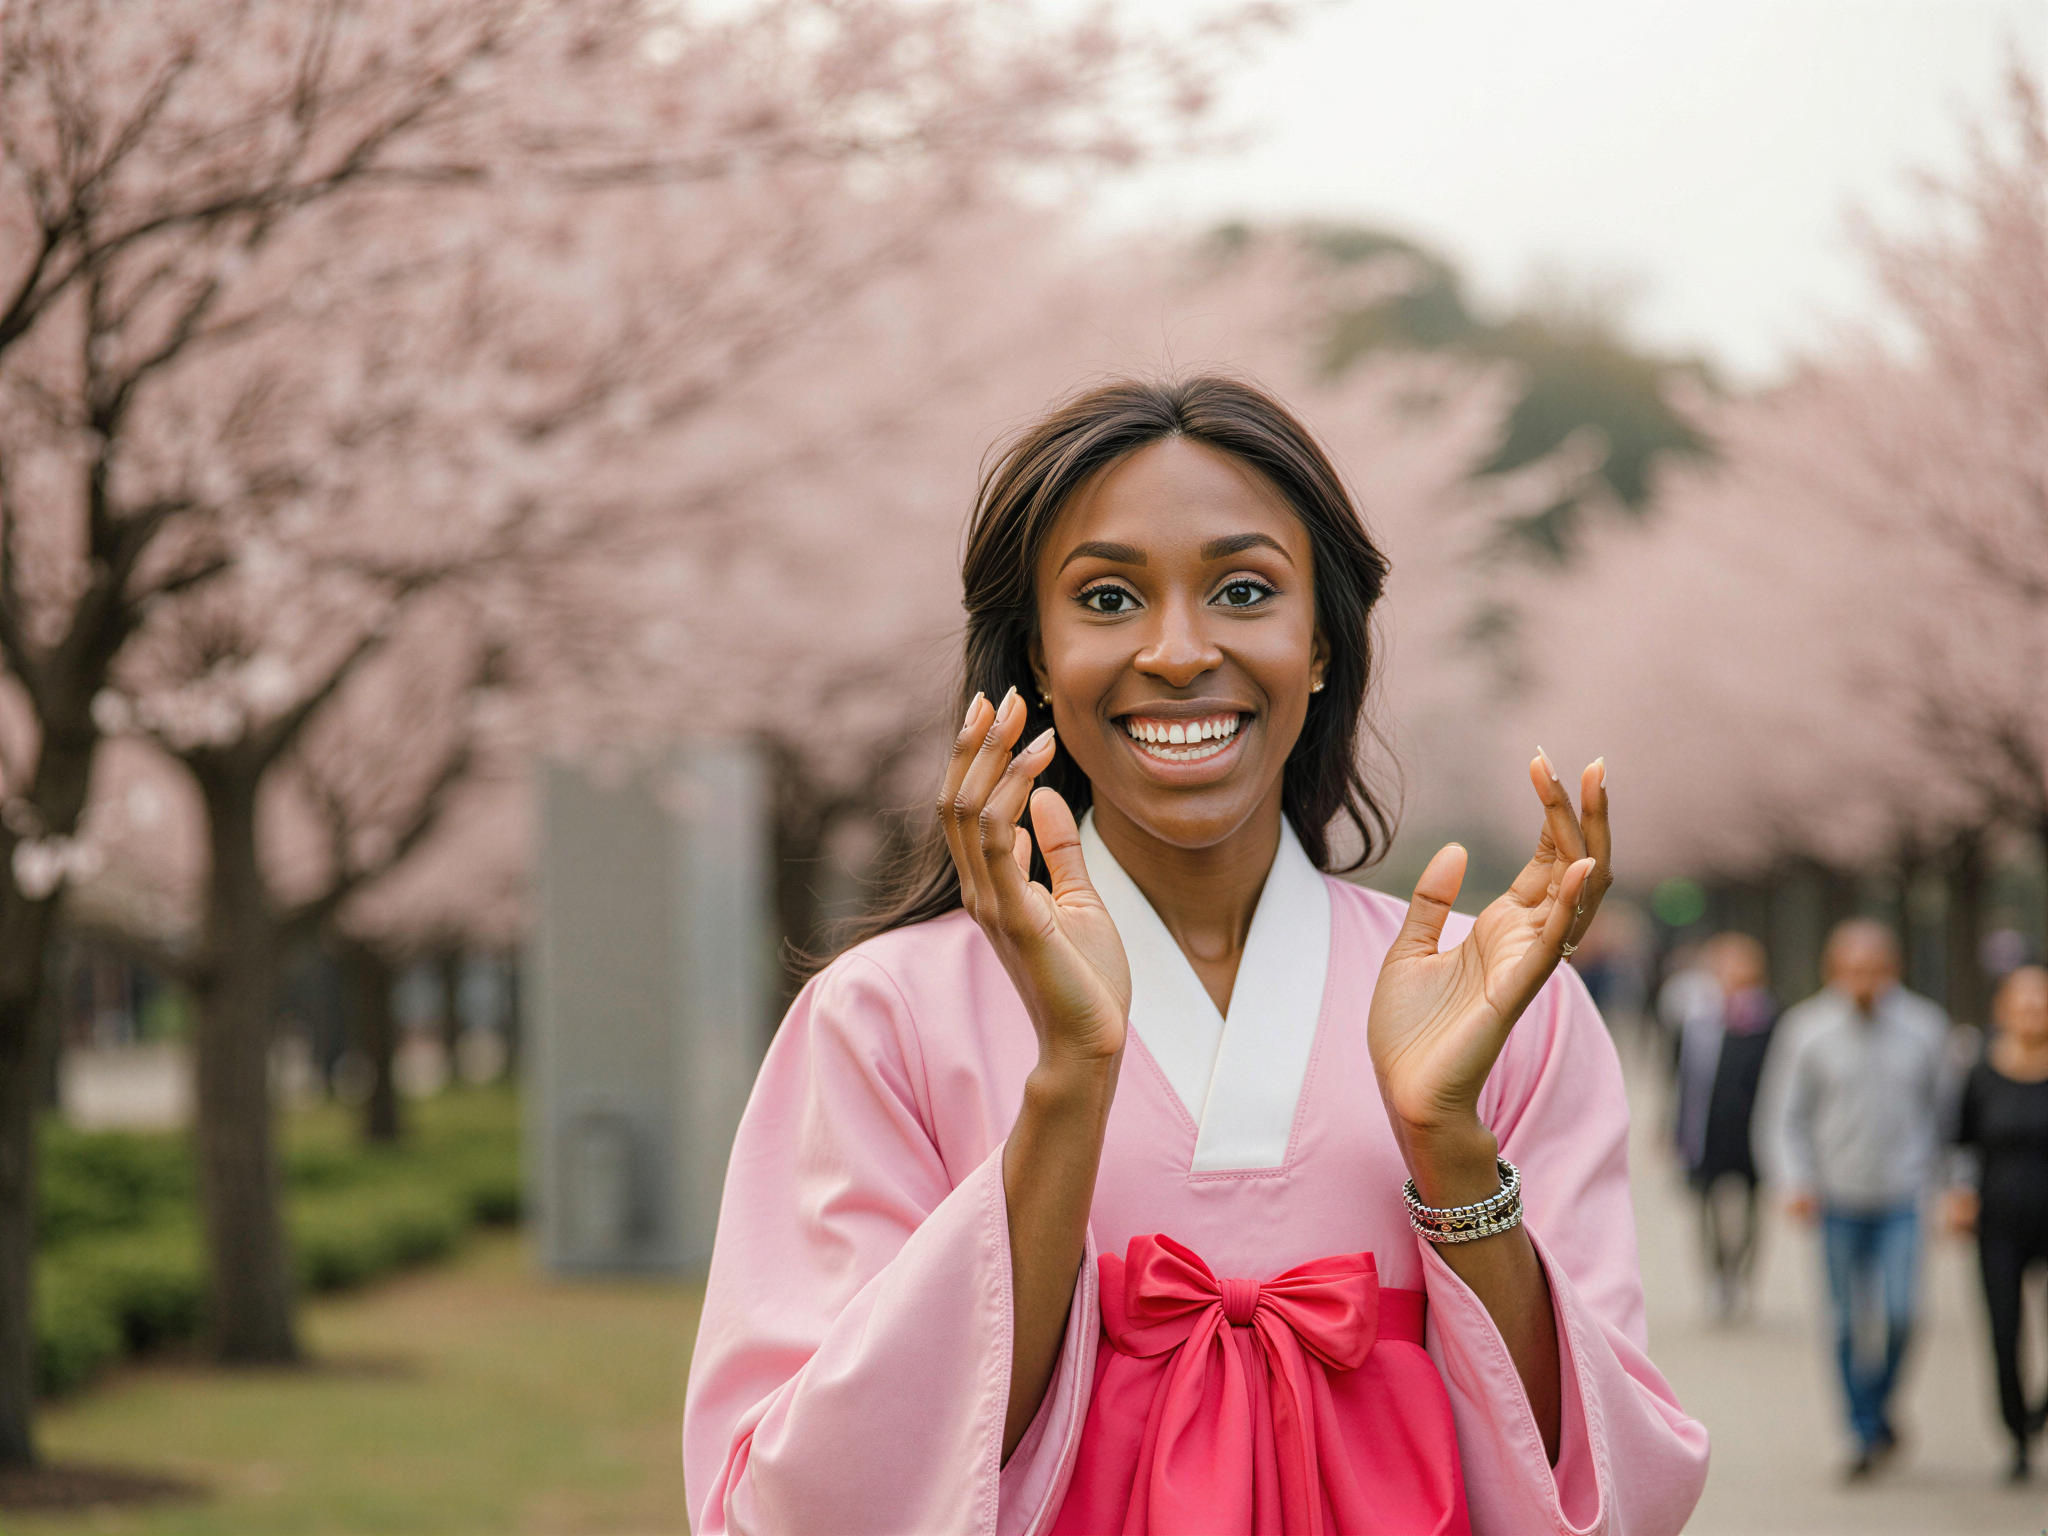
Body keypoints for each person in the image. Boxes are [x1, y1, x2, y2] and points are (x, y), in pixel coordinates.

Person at [682, 377, 1709, 1534]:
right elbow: (804, 1499)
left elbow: (1608, 1492)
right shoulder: (880, 1019)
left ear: (1319, 643)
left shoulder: (1504, 1007)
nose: (1177, 652)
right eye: (1109, 597)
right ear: (1034, 657)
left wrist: (1448, 1147)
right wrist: (1069, 1086)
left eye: (1242, 589)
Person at [1766, 918, 1951, 1479]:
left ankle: (1879, 1404)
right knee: (1845, 1321)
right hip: (1836, 1198)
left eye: (1873, 969)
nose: (1863, 981)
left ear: (1893, 970)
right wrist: (1795, 1180)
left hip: (1903, 1196)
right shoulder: (1806, 1030)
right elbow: (1783, 1116)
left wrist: (1952, 1184)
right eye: (1851, 970)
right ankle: (1862, 1432)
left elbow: (1947, 1117)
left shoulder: (1926, 1028)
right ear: (1833, 972)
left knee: (1900, 1315)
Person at [1944, 964, 2048, 1483]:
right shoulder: (1981, 1072)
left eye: (2041, 1002)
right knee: (2004, 1332)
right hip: (2000, 1225)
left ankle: (2040, 1407)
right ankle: (2016, 1435)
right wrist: (1959, 1196)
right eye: (2023, 1003)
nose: (2033, 1012)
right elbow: (1960, 1141)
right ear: (2002, 1010)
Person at [1671, 932, 1776, 1320]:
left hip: (1753, 1131)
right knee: (1705, 1207)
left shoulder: (1772, 1020)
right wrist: (1674, 1126)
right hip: (1707, 1129)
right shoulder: (1698, 1019)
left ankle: (1741, 1272)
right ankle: (1717, 1275)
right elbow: (1682, 1077)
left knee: (1750, 1210)